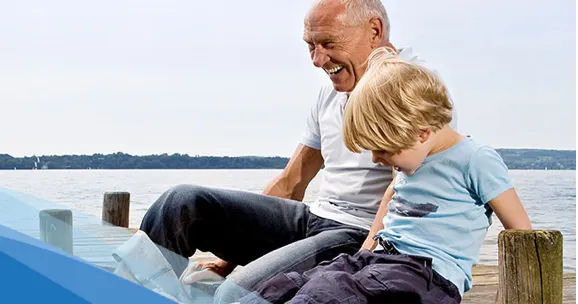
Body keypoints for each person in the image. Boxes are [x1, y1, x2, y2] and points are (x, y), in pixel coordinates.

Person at [139, 0, 456, 302]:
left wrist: (363, 262)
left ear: (374, 31)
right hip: (313, 219)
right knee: (181, 203)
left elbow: (402, 193)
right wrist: (228, 260)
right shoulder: (330, 92)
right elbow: (292, 181)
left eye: (328, 44)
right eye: (311, 46)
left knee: (240, 291)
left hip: (359, 235)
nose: (318, 60)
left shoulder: (416, 88)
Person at [236, 47, 533, 304]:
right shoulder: (414, 159)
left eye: (382, 151)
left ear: (422, 132)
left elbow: (522, 234)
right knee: (288, 286)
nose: (377, 161)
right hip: (378, 259)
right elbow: (390, 203)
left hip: (425, 275)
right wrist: (362, 255)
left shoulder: (475, 159)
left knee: (326, 295)